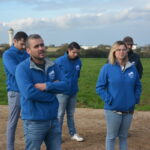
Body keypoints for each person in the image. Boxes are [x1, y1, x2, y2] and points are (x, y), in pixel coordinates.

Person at [15, 34, 70, 150]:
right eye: (36, 46)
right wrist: (53, 94)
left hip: (53, 120)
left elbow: (66, 85)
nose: (41, 48)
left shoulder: (53, 65)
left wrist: (47, 86)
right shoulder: (22, 68)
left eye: (42, 45)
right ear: (28, 50)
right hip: (34, 121)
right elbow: (29, 93)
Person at [96, 41, 142, 150]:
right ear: (114, 52)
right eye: (118, 50)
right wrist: (110, 100)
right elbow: (99, 87)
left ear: (127, 51)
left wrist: (134, 99)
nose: (121, 52)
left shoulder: (132, 68)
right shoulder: (107, 68)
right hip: (113, 110)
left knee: (123, 137)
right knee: (111, 137)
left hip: (128, 110)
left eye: (123, 49)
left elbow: (138, 86)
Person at [2, 31, 28, 150]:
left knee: (29, 120)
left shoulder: (26, 52)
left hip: (27, 91)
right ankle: (10, 148)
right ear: (15, 41)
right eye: (22, 44)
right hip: (15, 91)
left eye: (25, 44)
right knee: (13, 122)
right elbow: (15, 71)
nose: (24, 46)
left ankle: (30, 146)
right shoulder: (8, 54)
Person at [55, 42, 84, 142]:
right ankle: (56, 136)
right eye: (74, 52)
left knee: (71, 114)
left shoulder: (79, 62)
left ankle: (73, 134)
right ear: (69, 50)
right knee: (60, 114)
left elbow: (78, 75)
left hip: (73, 92)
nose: (76, 54)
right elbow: (53, 76)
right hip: (62, 93)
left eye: (77, 53)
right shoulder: (59, 61)